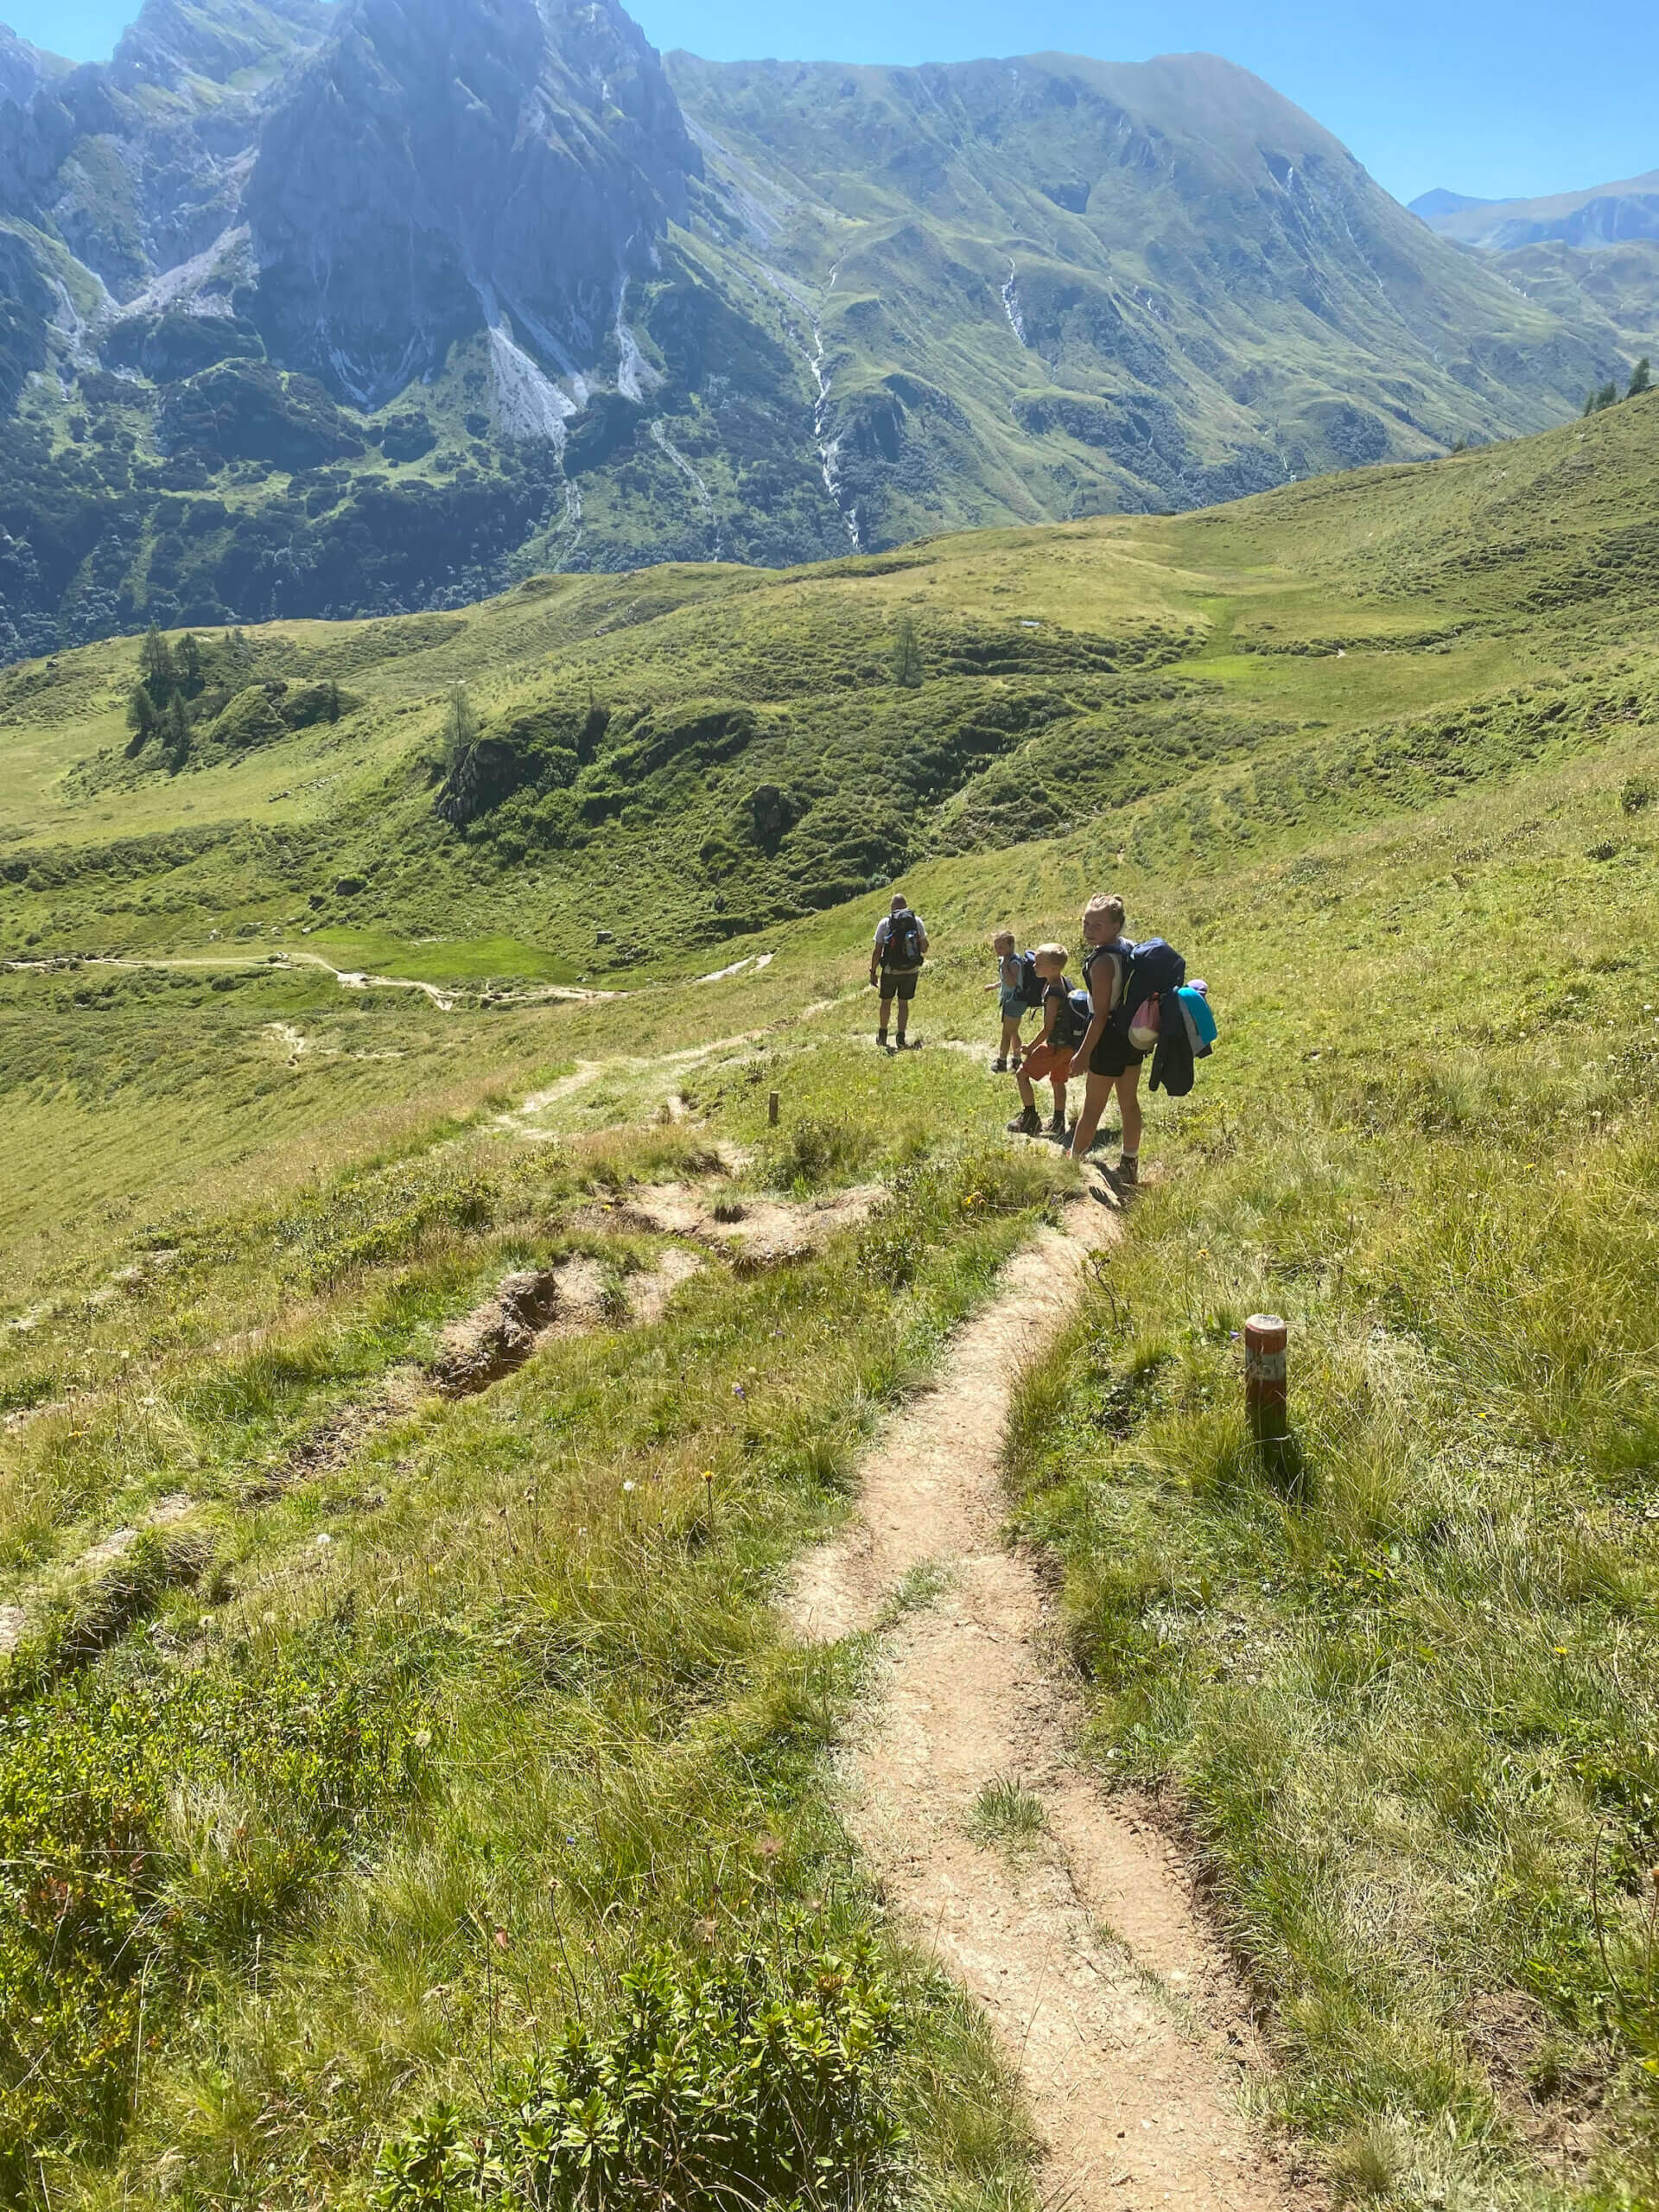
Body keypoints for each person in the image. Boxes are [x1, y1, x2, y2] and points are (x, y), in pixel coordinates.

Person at [1066, 893, 1143, 1187]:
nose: (1088, 930)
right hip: (1132, 1034)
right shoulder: (1129, 948)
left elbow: (1099, 1016)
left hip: (1107, 1037)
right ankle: (1129, 1163)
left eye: (1097, 925)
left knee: (1093, 1107)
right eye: (1086, 922)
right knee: (1129, 1102)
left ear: (1116, 926)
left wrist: (1083, 1054)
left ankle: (1072, 1164)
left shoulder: (1101, 963)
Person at [1005, 943, 1075, 1138]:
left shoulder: (1053, 992)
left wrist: (1030, 1047)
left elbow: (1048, 1028)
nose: (1034, 966)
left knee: (1022, 1074)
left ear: (1053, 968)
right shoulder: (1065, 982)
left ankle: (1030, 1118)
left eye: (1039, 963)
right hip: (1068, 1046)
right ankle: (1059, 1122)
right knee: (1058, 1081)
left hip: (1054, 1047)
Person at [869, 889, 928, 1052]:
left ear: (892, 907)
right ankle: (901, 1037)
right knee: (903, 1003)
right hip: (911, 969)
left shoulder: (885, 923)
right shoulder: (916, 921)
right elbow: (925, 948)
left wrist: (873, 971)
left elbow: (877, 950)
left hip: (890, 970)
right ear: (906, 906)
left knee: (886, 1001)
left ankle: (883, 1034)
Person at [986, 929, 1026, 1071]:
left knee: (1006, 1033)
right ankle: (1017, 1060)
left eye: (1001, 947)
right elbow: (1004, 981)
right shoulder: (1005, 960)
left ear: (1011, 945)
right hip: (1010, 1000)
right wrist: (994, 986)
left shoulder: (1014, 962)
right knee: (1013, 1031)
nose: (997, 950)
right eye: (996, 947)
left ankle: (1002, 1062)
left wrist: (1004, 967)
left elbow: (1012, 983)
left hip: (1015, 1001)